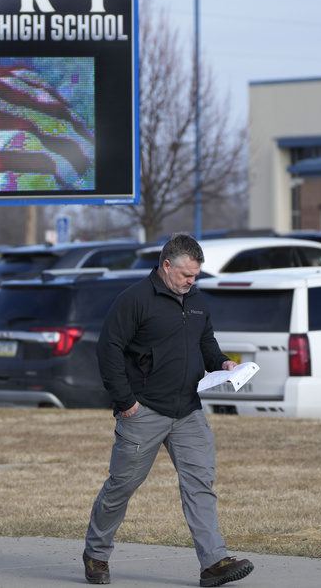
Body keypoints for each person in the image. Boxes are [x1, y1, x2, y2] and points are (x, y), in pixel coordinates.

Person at [82, 233, 254, 587]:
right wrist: (125, 401)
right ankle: (96, 554)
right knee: (122, 485)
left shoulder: (197, 301)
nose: (191, 282)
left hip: (188, 410)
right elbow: (108, 350)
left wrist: (222, 363)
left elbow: (206, 342)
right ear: (165, 266)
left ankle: (213, 563)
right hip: (143, 411)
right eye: (185, 275)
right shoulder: (134, 300)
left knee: (200, 485)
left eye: (195, 276)